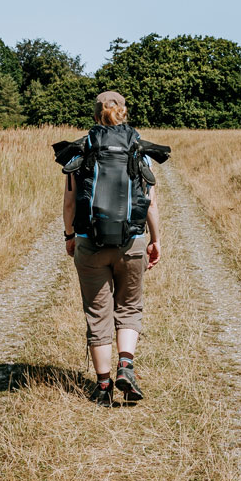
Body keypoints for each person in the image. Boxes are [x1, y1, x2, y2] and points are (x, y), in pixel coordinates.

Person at [60, 90, 163, 406]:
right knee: (129, 307)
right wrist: (154, 239)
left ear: (95, 115)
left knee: (97, 313)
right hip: (131, 241)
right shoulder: (138, 151)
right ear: (125, 113)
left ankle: (103, 388)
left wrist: (69, 236)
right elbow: (149, 202)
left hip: (90, 243)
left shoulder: (81, 151)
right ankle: (126, 366)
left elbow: (68, 202)